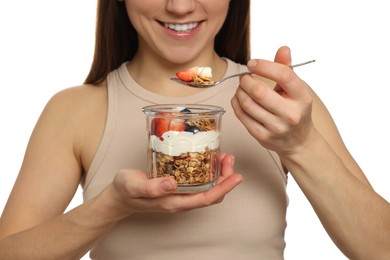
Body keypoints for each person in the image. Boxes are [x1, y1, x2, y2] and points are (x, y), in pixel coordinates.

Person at [0, 0, 389, 259]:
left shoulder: (282, 103)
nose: (181, 5)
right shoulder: (74, 110)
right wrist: (109, 208)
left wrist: (302, 145)